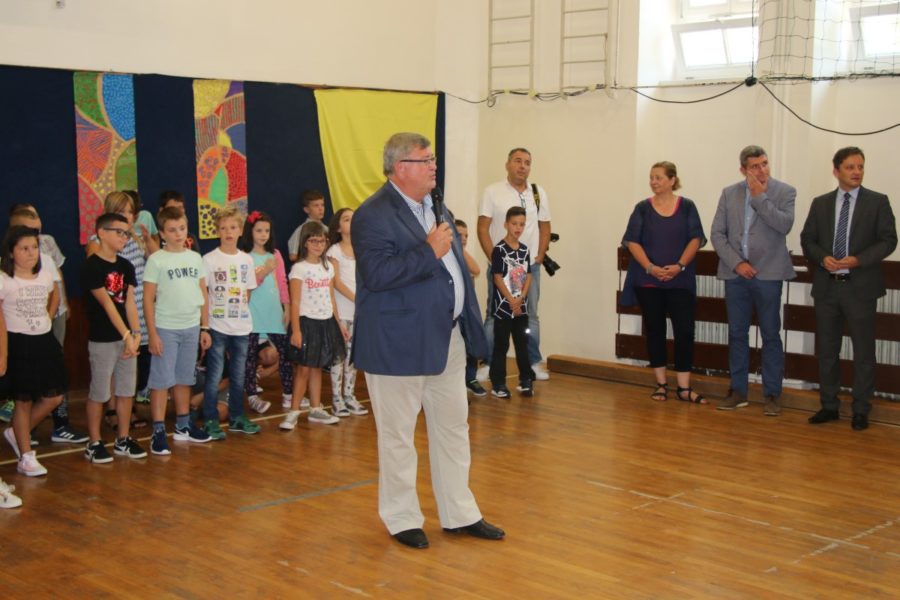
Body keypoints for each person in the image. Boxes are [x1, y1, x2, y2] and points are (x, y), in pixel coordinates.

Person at [353, 132, 503, 549]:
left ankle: (460, 513)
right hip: (398, 343)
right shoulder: (372, 214)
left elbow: (455, 271)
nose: (434, 166)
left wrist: (469, 323)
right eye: (426, 160)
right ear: (401, 167)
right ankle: (402, 518)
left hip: (446, 338)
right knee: (398, 435)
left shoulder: (437, 207)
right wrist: (428, 250)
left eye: (433, 159)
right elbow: (377, 275)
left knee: (454, 428)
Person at [800, 147, 898, 431]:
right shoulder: (821, 203)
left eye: (860, 167)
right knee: (827, 351)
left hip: (861, 289)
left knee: (864, 352)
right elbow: (808, 240)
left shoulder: (877, 202)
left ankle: (861, 409)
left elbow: (889, 240)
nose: (857, 172)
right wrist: (822, 258)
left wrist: (859, 260)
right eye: (850, 167)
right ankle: (829, 405)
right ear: (836, 171)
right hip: (827, 289)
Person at [710, 146, 796, 416]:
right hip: (736, 274)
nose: (762, 170)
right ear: (743, 170)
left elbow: (784, 225)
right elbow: (717, 234)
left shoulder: (785, 192)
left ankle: (772, 394)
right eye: (755, 166)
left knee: (770, 334)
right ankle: (738, 391)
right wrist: (737, 263)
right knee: (737, 333)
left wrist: (760, 197)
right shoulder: (729, 193)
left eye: (765, 164)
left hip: (768, 274)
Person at [620, 161, 708, 404]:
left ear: (672, 180)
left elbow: (696, 239)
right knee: (655, 330)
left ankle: (684, 388)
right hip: (648, 281)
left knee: (684, 331)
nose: (653, 182)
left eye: (658, 177)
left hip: (681, 281)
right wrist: (650, 267)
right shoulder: (642, 208)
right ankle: (661, 384)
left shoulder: (687, 207)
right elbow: (632, 241)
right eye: (651, 177)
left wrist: (679, 265)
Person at [7, 207, 88, 444]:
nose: (35, 237)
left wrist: (49, 315)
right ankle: (24, 434)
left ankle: (58, 425)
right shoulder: (7, 268)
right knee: (25, 390)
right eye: (28, 231)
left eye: (36, 230)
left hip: (47, 325)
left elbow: (56, 286)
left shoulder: (47, 252)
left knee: (54, 383)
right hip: (20, 333)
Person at [143, 206, 213, 456]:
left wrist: (205, 327)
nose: (178, 234)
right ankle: (158, 431)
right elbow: (148, 299)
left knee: (185, 377)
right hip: (166, 327)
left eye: (182, 228)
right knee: (162, 380)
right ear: (162, 234)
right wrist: (152, 334)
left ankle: (183, 425)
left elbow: (203, 293)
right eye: (172, 230)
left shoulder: (195, 258)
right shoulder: (157, 260)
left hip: (191, 326)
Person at [478, 148, 552, 381]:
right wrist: (495, 260)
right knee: (494, 315)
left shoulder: (538, 193)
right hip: (501, 269)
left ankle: (533, 363)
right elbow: (482, 228)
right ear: (507, 164)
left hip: (529, 268)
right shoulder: (492, 191)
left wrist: (539, 255)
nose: (523, 166)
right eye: (518, 161)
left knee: (530, 315)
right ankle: (489, 363)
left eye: (527, 162)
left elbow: (545, 227)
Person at [80, 213, 148, 463]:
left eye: (126, 233)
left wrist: (136, 334)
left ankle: (123, 438)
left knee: (126, 391)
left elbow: (129, 303)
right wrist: (126, 334)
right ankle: (94, 442)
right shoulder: (92, 267)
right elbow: (107, 304)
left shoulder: (126, 266)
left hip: (126, 339)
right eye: (119, 232)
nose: (124, 237)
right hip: (103, 339)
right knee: (99, 392)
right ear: (101, 233)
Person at [0, 225, 64, 476]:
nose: (31, 253)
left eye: (34, 248)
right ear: (11, 252)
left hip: (43, 341)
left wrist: (46, 319)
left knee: (54, 396)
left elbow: (53, 295)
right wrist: (3, 353)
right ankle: (26, 456)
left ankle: (17, 432)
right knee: (23, 400)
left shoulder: (45, 276)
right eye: (24, 248)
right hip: (18, 344)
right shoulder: (5, 280)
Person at [86, 191, 153, 429]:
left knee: (130, 368)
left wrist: (148, 239)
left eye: (130, 212)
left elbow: (153, 260)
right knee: (111, 370)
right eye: (122, 211)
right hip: (112, 317)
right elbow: (101, 277)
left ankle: (128, 411)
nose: (128, 216)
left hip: (136, 310)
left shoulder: (135, 239)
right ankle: (112, 411)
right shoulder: (98, 242)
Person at [279, 221, 347, 429]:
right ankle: (293, 411)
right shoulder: (299, 269)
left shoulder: (327, 267)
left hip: (325, 323)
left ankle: (316, 409)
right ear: (305, 243)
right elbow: (296, 302)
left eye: (322, 241)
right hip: (307, 324)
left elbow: (331, 298)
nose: (319, 245)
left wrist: (339, 323)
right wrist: (296, 330)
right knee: (304, 369)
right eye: (314, 241)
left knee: (317, 367)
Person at [202, 206, 261, 439]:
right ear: (217, 231)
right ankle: (210, 419)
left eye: (233, 227)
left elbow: (248, 290)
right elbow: (204, 294)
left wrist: (239, 312)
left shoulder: (246, 259)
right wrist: (205, 326)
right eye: (223, 228)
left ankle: (237, 416)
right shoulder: (209, 260)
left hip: (242, 327)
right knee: (215, 374)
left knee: (238, 375)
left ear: (240, 230)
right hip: (217, 327)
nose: (228, 232)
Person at [238, 210, 293, 415]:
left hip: (273, 313)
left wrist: (286, 307)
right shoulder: (244, 256)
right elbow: (246, 285)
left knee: (285, 354)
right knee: (250, 356)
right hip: (253, 313)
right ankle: (252, 395)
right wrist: (264, 271)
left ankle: (289, 394)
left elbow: (282, 283)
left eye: (267, 231)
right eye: (259, 230)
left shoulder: (275, 255)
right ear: (250, 232)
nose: (263, 235)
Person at [325, 208, 368, 417]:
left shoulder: (361, 249)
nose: (351, 222)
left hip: (357, 313)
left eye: (354, 218)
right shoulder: (334, 251)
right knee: (339, 358)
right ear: (338, 227)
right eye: (346, 219)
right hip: (342, 312)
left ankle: (349, 396)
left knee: (352, 358)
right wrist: (357, 298)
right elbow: (336, 282)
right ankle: (336, 399)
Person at [489, 206, 535, 398]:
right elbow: (497, 277)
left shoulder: (525, 250)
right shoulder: (499, 250)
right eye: (514, 224)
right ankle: (498, 383)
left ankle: (526, 379)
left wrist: (521, 297)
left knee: (522, 343)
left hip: (520, 306)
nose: (518, 228)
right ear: (506, 224)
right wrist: (511, 300)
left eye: (522, 224)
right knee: (501, 345)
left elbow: (529, 275)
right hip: (504, 307)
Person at [456, 218, 487, 398]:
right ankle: (459, 381)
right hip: (454, 311)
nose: (464, 239)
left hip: (467, 309)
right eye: (459, 235)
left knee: (471, 342)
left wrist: (460, 249)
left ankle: (471, 378)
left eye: (466, 236)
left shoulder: (463, 255)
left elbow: (476, 269)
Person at [287, 190, 328, 263]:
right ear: (306, 209)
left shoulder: (327, 229)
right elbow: (293, 256)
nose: (321, 209)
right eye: (316, 205)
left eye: (322, 205)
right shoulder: (301, 229)